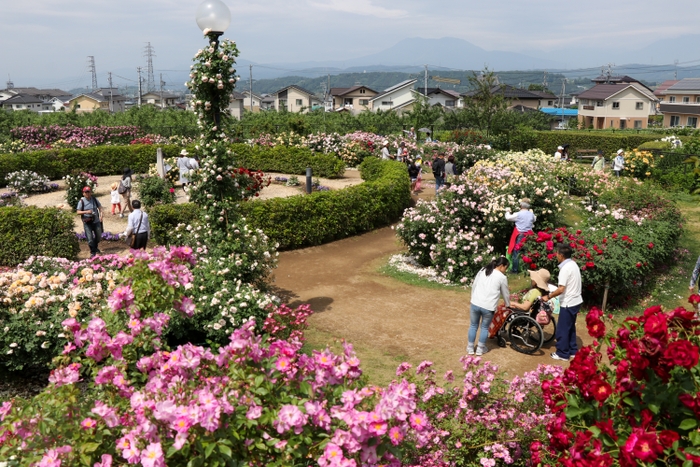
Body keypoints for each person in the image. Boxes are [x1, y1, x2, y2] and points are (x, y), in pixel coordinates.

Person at [543, 244, 583, 361]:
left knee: (562, 329)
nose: (556, 256)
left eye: (557, 254)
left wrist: (548, 296)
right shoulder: (573, 264)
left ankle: (562, 353)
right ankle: (572, 350)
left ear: (561, 255)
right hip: (576, 301)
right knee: (570, 327)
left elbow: (561, 289)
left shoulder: (565, 269)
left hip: (568, 302)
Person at [468, 257, 511, 356]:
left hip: (475, 302)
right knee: (484, 328)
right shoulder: (502, 277)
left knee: (473, 326)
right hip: (488, 306)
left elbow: (474, 284)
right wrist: (507, 304)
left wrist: (473, 297)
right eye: (506, 268)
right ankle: (480, 349)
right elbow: (505, 293)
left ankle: (470, 348)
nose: (506, 270)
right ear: (501, 266)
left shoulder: (483, 269)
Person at [505, 199, 536, 274]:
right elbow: (534, 220)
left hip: (520, 234)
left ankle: (515, 270)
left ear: (521, 205)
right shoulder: (532, 215)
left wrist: (507, 212)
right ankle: (527, 268)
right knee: (527, 252)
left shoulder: (518, 214)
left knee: (516, 252)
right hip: (529, 235)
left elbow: (508, 218)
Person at [76, 186, 104, 257]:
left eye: (88, 192)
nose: (87, 193)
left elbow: (100, 208)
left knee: (98, 236)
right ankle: (93, 251)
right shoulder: (81, 201)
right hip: (87, 222)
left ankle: (95, 247)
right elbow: (78, 212)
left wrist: (101, 215)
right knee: (90, 238)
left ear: (91, 192)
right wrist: (86, 212)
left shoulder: (94, 199)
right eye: (86, 192)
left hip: (96, 221)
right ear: (83, 194)